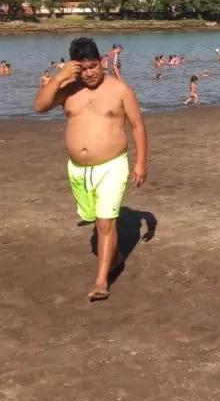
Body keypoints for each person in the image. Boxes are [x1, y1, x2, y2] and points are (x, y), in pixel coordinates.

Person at [33, 37, 148, 301]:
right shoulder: (68, 90)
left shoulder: (120, 90)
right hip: (78, 170)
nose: (89, 73)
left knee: (105, 222)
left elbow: (137, 125)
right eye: (82, 68)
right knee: (96, 219)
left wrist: (141, 163)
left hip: (112, 165)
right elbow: (39, 107)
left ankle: (101, 281)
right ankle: (115, 257)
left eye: (93, 66)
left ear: (102, 61)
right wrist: (60, 77)